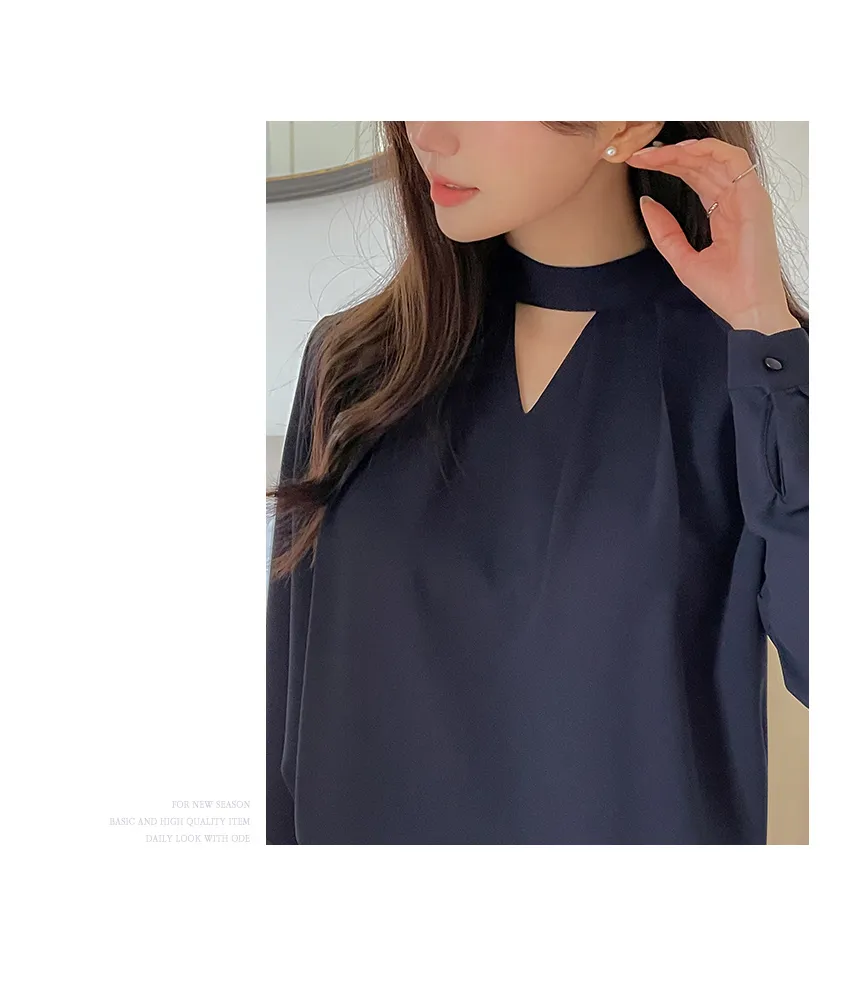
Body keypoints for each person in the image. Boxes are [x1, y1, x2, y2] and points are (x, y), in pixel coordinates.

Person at [266, 122, 809, 845]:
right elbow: (286, 718)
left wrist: (766, 336)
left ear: (627, 120)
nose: (426, 132)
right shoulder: (356, 368)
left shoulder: (747, 376)